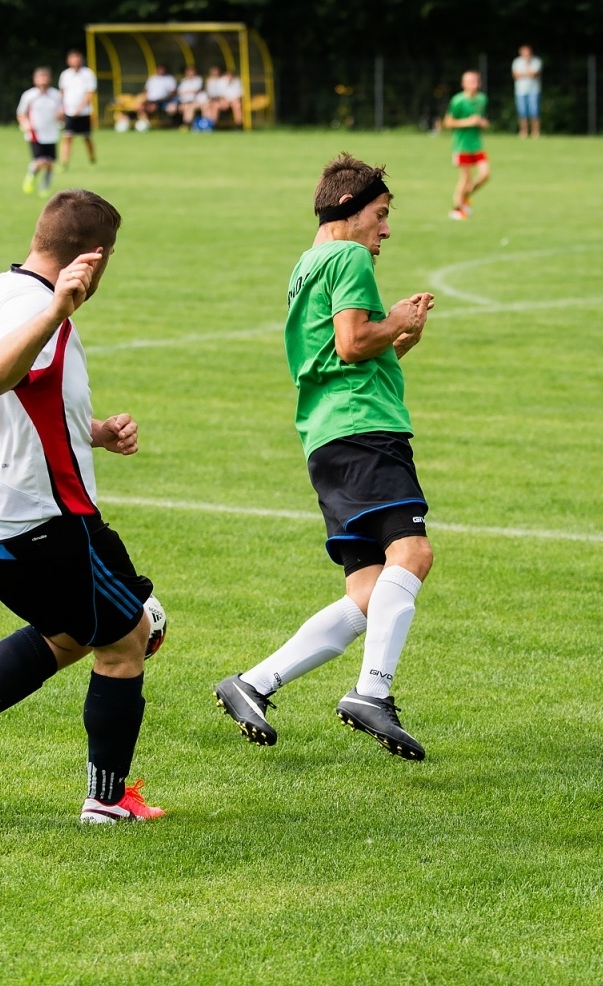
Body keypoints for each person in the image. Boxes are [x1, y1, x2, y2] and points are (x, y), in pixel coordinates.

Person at [0, 189, 166, 823]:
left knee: (73, 633)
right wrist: (57, 310)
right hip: (39, 525)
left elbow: (14, 399)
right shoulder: (38, 308)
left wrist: (92, 431)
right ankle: (107, 803)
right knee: (130, 636)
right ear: (92, 260)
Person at [214, 154, 435, 761]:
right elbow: (352, 340)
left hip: (330, 435)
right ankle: (372, 693)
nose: (385, 230)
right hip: (365, 434)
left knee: (368, 594)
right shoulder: (350, 257)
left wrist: (398, 337)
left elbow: (342, 361)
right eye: (381, 216)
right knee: (412, 553)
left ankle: (254, 683)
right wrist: (394, 320)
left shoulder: (307, 265)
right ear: (348, 210)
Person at [443, 69, 489, 220]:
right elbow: (448, 122)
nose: (473, 84)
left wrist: (482, 123)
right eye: (470, 81)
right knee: (465, 179)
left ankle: (464, 198)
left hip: (477, 145)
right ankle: (457, 208)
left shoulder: (482, 99)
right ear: (463, 84)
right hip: (461, 145)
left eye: (475, 81)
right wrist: (469, 122)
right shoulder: (458, 101)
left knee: (485, 175)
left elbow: (480, 119)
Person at [17, 67, 63, 198]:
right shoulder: (29, 95)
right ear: (34, 80)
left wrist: (61, 116)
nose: (42, 80)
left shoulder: (56, 95)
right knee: (39, 161)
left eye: (45, 77)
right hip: (36, 133)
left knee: (49, 163)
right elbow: (21, 114)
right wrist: (25, 124)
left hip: (52, 133)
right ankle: (31, 176)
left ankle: (45, 186)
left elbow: (61, 112)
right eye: (40, 77)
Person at [58, 50, 98, 167]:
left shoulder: (88, 74)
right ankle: (64, 161)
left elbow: (90, 93)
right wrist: (62, 107)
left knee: (87, 137)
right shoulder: (65, 75)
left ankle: (92, 158)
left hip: (84, 112)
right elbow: (62, 92)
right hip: (69, 111)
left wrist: (80, 108)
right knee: (67, 136)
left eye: (77, 58)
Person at [512, 45, 542, 137]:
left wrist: (527, 66)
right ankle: (523, 132)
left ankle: (535, 132)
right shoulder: (516, 62)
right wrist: (528, 74)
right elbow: (515, 75)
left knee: (534, 111)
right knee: (522, 112)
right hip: (520, 91)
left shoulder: (536, 61)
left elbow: (534, 74)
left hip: (534, 91)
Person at [136, 64, 176, 131]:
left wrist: (162, 99)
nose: (160, 71)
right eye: (159, 69)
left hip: (163, 101)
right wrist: (145, 98)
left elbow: (173, 92)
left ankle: (174, 125)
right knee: (140, 107)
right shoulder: (152, 78)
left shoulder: (169, 79)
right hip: (150, 100)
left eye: (162, 69)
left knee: (153, 108)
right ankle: (145, 122)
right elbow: (145, 90)